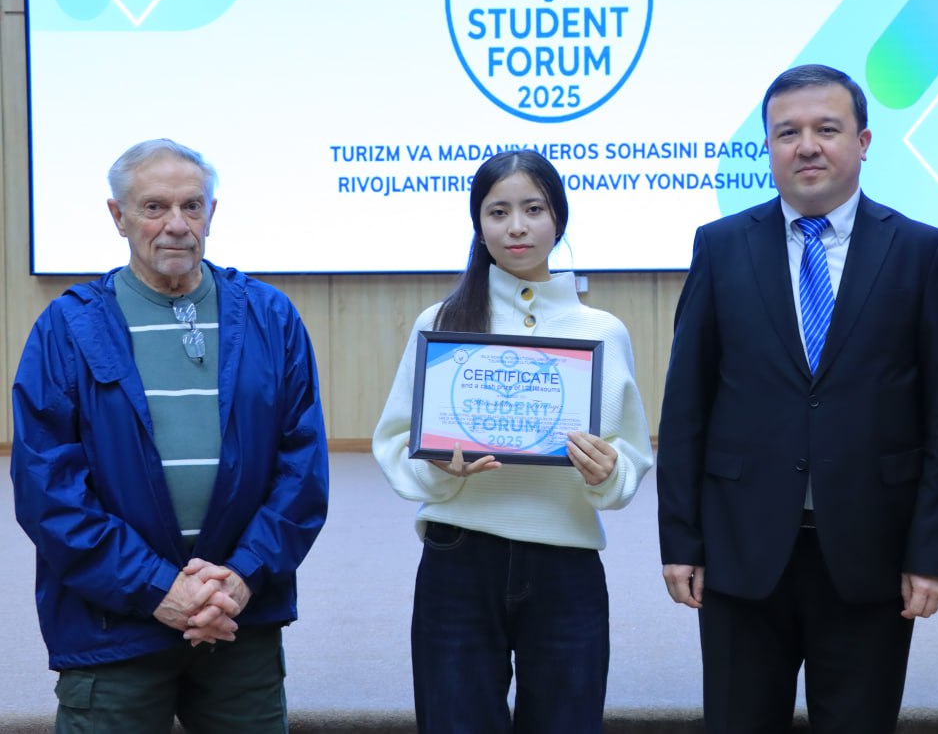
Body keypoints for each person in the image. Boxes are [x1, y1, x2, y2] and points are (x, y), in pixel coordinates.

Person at [656, 64, 938, 733]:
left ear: (863, 141)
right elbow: (686, 407)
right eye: (787, 132)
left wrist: (932, 553)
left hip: (872, 551)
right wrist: (680, 540)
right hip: (741, 549)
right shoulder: (721, 246)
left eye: (826, 129)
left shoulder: (920, 251)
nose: (806, 146)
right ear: (768, 147)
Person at [10, 138, 329, 733]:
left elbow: (302, 470)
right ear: (119, 216)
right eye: (155, 207)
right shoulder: (68, 327)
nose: (177, 225)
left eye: (192, 206)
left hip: (237, 617)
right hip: (112, 625)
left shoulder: (271, 317)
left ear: (212, 212)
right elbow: (46, 487)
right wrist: (158, 589)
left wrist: (240, 578)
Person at [372, 149, 653, 733]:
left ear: (559, 219)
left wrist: (607, 474)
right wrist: (440, 468)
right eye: (498, 212)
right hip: (458, 559)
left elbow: (629, 455)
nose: (517, 227)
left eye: (534, 209)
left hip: (566, 565)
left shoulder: (602, 331)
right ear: (479, 225)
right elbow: (397, 441)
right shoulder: (442, 322)